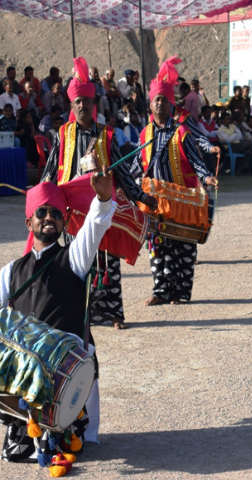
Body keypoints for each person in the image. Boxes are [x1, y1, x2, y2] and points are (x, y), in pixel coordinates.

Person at [0, 167, 115, 461]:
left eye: (56, 213)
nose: (49, 217)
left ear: (64, 222)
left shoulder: (73, 257)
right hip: (27, 376)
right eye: (42, 213)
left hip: (68, 368)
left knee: (71, 446)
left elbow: (94, 227)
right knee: (19, 453)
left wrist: (102, 199)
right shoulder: (11, 272)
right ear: (29, 222)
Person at [41, 57, 155, 329]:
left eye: (87, 102)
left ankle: (114, 314)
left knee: (108, 264)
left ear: (94, 105)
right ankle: (80, 316)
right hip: (72, 215)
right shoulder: (62, 135)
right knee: (75, 263)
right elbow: (50, 170)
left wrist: (140, 196)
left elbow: (124, 175)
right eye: (78, 102)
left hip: (102, 207)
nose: (83, 106)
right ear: (72, 105)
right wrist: (41, 195)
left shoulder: (108, 135)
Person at [133, 57, 217, 305]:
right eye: (156, 100)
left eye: (164, 100)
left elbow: (195, 158)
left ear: (171, 104)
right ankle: (161, 291)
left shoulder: (181, 131)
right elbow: (138, 163)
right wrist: (125, 181)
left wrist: (206, 176)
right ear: (150, 105)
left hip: (181, 198)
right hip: (156, 199)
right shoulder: (145, 133)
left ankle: (180, 293)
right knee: (157, 247)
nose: (160, 104)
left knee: (183, 244)